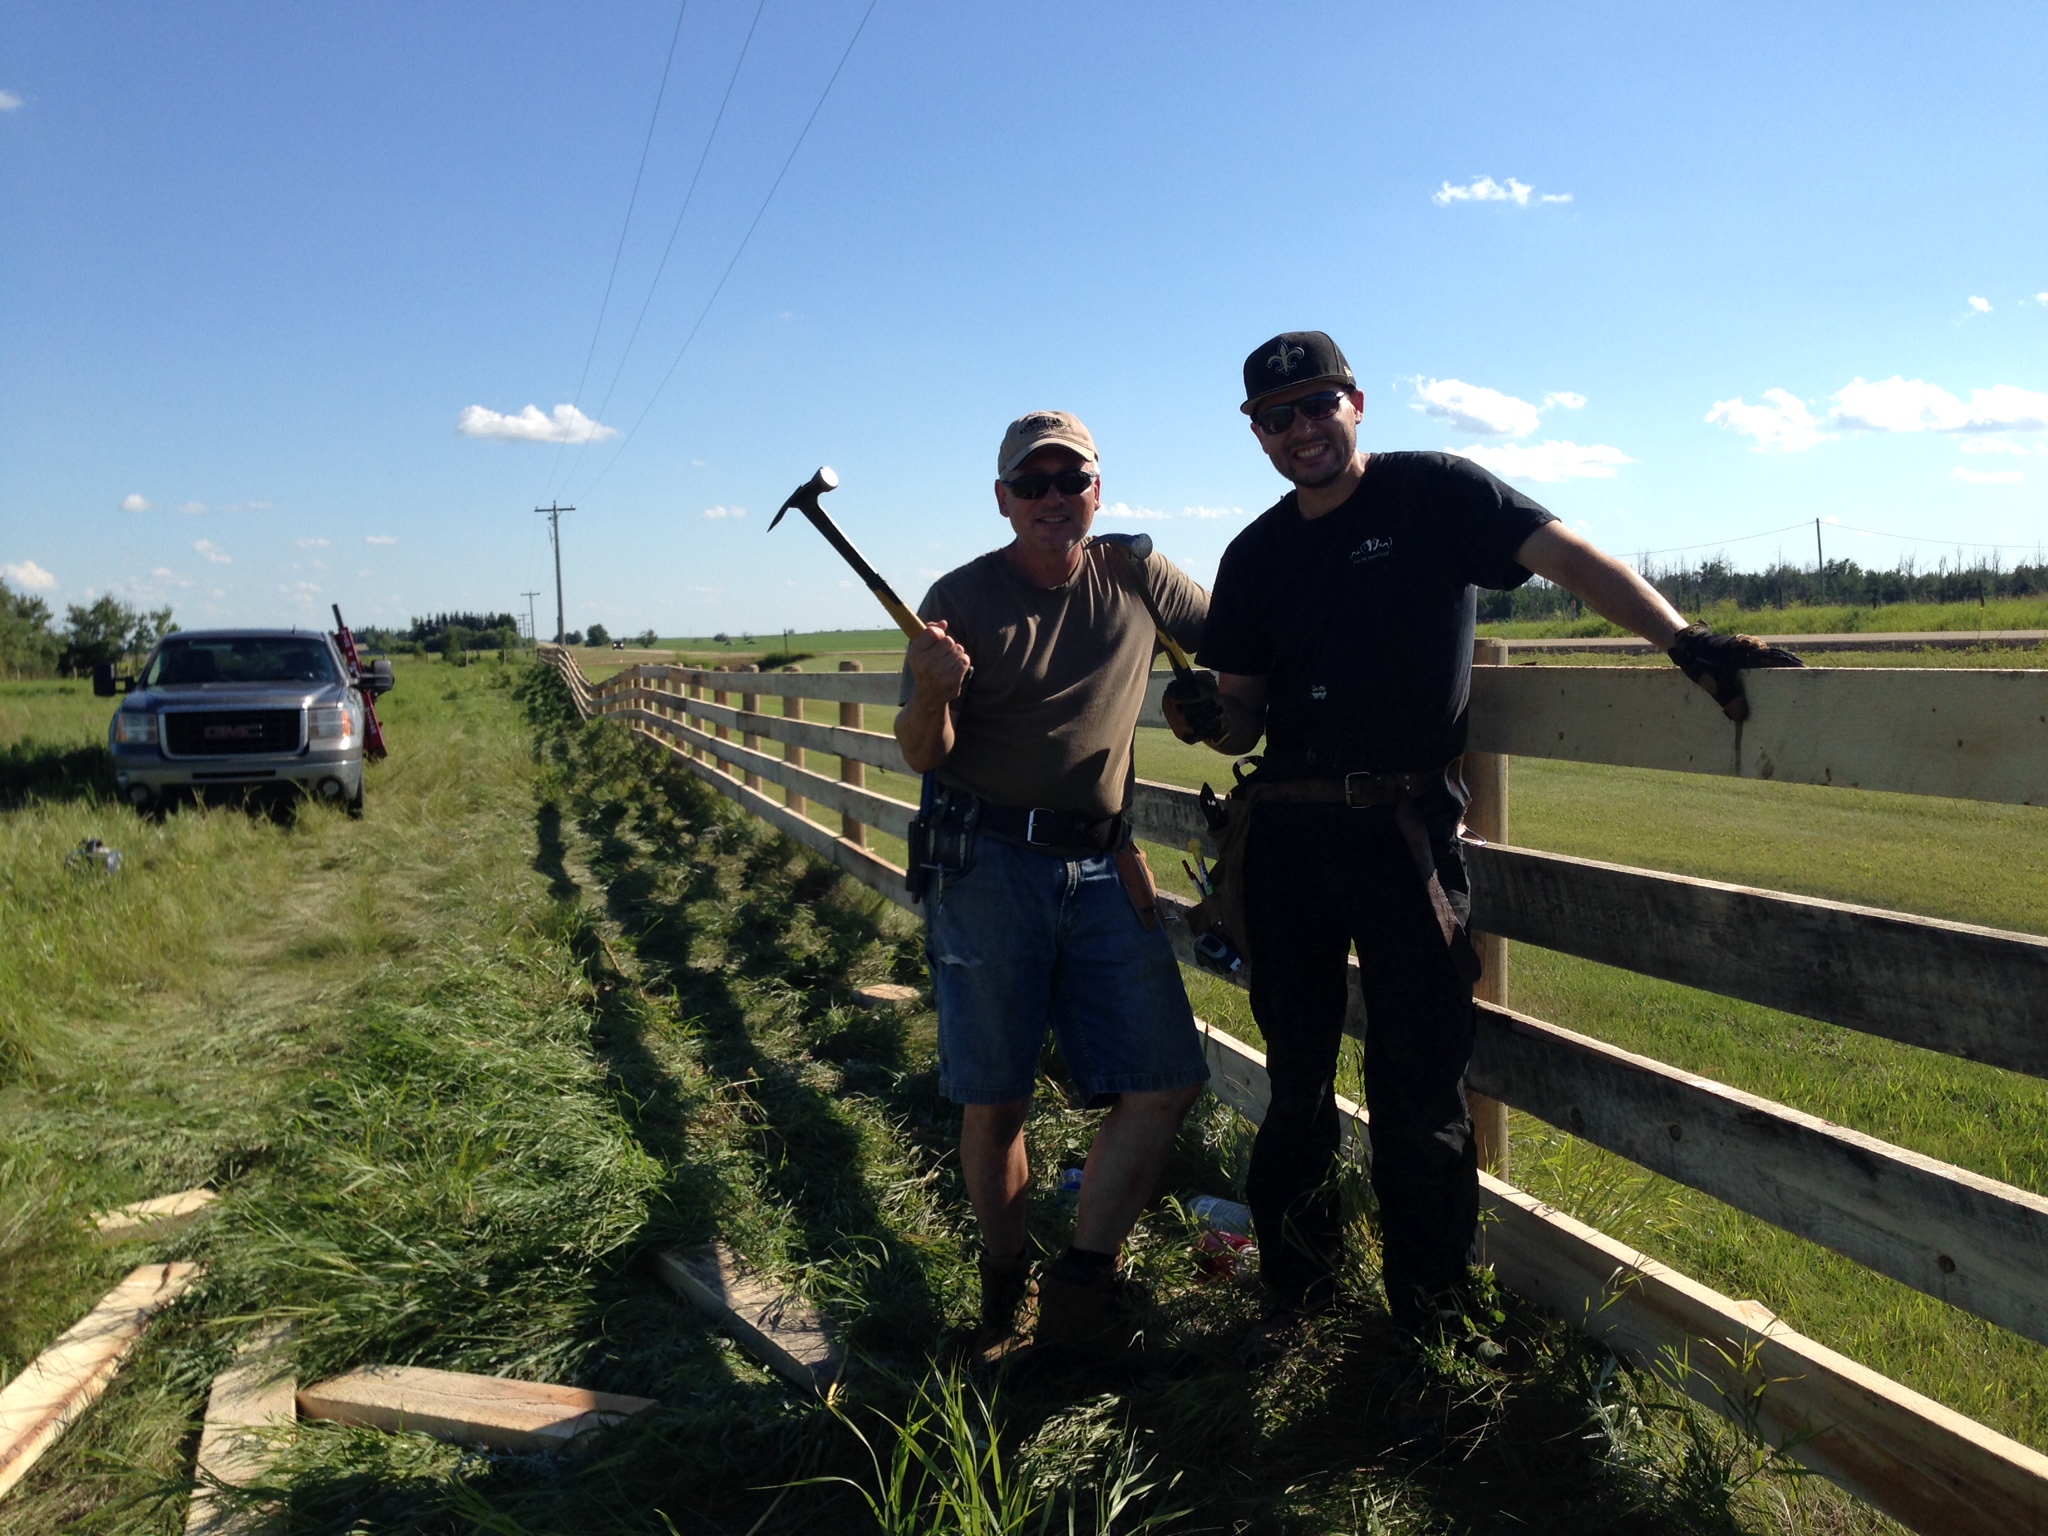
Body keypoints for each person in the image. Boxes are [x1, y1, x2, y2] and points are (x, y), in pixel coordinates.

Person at [1163, 331, 1801, 1360]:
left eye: (1315, 405)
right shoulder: (1255, 553)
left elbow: (1566, 555)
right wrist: (1197, 712)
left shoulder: (1435, 494)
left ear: (1354, 404)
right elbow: (1238, 716)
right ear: (1255, 434)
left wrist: (1681, 641)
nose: (1298, 430)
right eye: (1274, 418)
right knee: (1292, 1083)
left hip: (1400, 835)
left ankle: (1427, 1328)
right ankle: (1294, 1295)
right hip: (1283, 836)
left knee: (1416, 1094)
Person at [896, 408, 1212, 1361]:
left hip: (1105, 865)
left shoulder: (1138, 576)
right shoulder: (959, 595)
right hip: (988, 865)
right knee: (996, 1098)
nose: (1051, 500)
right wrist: (934, 690)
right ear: (1003, 500)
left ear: (1097, 491)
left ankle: (1079, 1292)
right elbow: (923, 755)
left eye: (1069, 481)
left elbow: (1245, 646)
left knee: (1163, 1079)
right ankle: (1002, 1293)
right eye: (1030, 485)